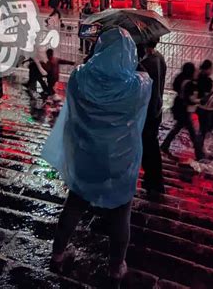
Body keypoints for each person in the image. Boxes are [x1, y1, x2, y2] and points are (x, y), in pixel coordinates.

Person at [42, 28, 151, 282]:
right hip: (120, 161)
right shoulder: (136, 86)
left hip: (87, 157)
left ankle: (57, 254)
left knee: (74, 206)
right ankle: (116, 266)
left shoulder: (80, 77)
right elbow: (147, 77)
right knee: (121, 214)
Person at [160, 62, 204, 161]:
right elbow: (189, 99)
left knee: (177, 128)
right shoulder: (189, 83)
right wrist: (199, 101)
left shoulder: (180, 79)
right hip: (184, 110)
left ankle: (165, 146)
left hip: (179, 108)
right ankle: (200, 155)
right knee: (192, 133)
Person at [139, 40, 167, 195]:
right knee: (151, 145)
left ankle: (154, 181)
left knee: (149, 147)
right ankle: (154, 179)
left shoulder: (148, 62)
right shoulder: (159, 58)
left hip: (148, 111)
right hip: (155, 109)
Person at [196, 60, 213, 146]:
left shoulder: (198, 77)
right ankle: (200, 146)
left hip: (201, 106)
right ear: (207, 69)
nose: (212, 71)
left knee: (206, 126)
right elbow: (207, 93)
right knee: (207, 126)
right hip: (206, 107)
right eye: (211, 69)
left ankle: (201, 144)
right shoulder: (206, 80)